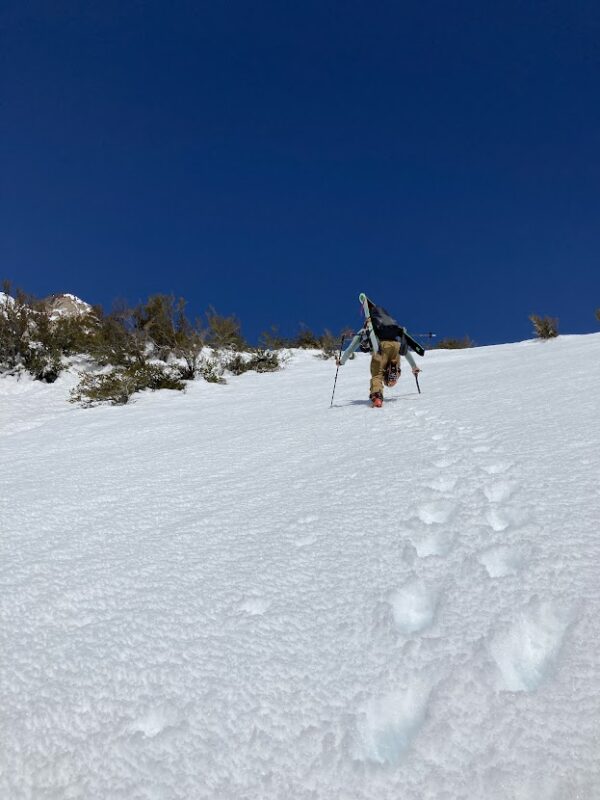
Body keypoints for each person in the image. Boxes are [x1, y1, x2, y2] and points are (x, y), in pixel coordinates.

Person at [336, 300, 422, 407]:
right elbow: (404, 351)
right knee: (390, 375)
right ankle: (393, 372)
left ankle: (377, 396)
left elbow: (350, 349)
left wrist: (341, 361)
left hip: (380, 348)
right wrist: (414, 366)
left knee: (377, 375)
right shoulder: (392, 326)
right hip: (396, 346)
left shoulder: (366, 330)